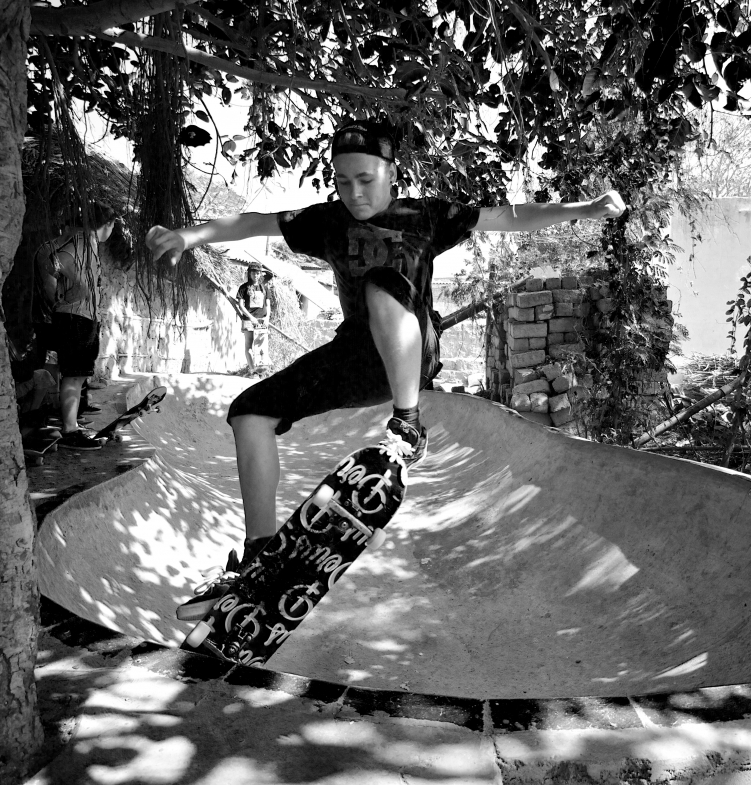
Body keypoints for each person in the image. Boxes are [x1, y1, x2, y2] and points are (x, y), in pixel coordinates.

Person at [145, 118, 625, 619]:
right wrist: (187, 235)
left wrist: (585, 209)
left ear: (392, 173)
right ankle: (260, 556)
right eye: (342, 180)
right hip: (357, 357)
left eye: (366, 180)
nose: (354, 193)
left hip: (414, 351)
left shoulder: (427, 216)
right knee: (249, 412)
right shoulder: (326, 221)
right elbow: (252, 223)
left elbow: (510, 215)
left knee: (381, 282)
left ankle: (408, 423)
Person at [33, 203, 117, 449]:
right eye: (112, 226)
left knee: (78, 374)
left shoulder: (87, 244)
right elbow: (53, 263)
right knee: (73, 375)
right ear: (108, 224)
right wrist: (78, 282)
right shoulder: (82, 241)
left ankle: (72, 424)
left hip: (82, 317)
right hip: (74, 318)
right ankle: (69, 429)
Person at [235, 264, 273, 375]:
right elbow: (241, 305)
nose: (255, 275)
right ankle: (253, 371)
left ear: (260, 274)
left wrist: (267, 318)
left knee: (261, 347)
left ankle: (261, 371)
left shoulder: (264, 288)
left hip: (262, 321)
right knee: (249, 346)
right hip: (249, 320)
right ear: (249, 273)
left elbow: (268, 305)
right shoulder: (243, 288)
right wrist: (251, 318)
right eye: (253, 273)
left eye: (257, 273)